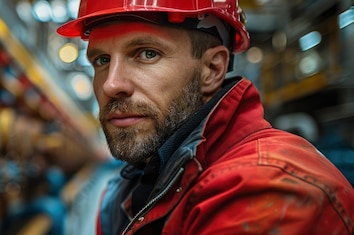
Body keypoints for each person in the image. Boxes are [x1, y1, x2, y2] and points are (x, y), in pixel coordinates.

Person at [56, 1, 354, 234]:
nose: (111, 84)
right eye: (102, 60)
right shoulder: (145, 179)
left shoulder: (267, 189)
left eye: (147, 54)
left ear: (212, 70)